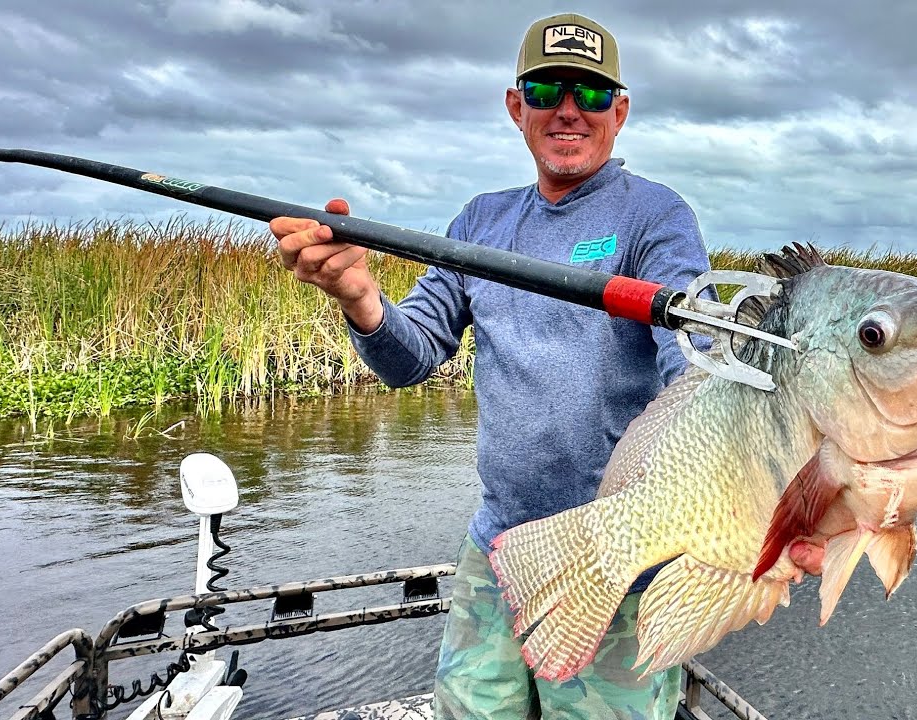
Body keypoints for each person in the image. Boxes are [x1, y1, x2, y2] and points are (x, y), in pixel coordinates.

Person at [273, 12, 713, 720]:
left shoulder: (656, 218)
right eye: (547, 90)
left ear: (620, 113)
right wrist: (360, 297)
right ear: (517, 107)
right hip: (498, 550)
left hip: (612, 566)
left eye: (592, 96)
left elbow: (692, 359)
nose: (569, 110)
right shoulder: (480, 222)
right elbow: (410, 358)